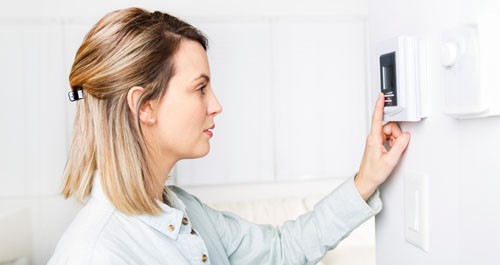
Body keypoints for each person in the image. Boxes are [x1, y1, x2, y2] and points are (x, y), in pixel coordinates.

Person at [48, 7, 411, 265]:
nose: (216, 105)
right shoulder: (94, 253)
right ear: (144, 106)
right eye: (200, 88)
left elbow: (282, 250)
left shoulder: (182, 210)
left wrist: (366, 179)